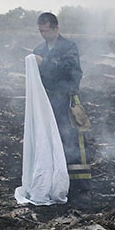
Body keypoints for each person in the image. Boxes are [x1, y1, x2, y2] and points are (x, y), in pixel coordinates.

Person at [33, 12, 92, 200]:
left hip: (66, 101)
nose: (44, 35)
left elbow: (70, 69)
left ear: (56, 28)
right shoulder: (39, 49)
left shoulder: (69, 47)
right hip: (47, 102)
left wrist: (46, 63)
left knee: (73, 140)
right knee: (50, 140)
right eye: (41, 31)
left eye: (47, 31)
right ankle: (56, 179)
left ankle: (81, 186)